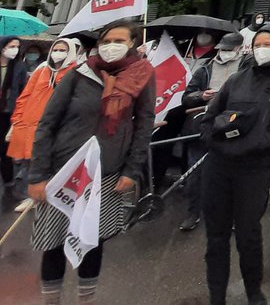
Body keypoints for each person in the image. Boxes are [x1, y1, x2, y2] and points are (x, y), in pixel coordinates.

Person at [28, 21, 155, 305]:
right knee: (54, 242)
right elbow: (47, 124)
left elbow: (144, 125)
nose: (112, 45)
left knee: (92, 242)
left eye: (119, 40)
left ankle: (86, 300)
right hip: (63, 174)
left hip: (107, 175)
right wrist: (38, 175)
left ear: (133, 43)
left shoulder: (142, 75)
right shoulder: (79, 74)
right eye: (107, 40)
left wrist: (132, 171)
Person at [201, 23, 270, 305]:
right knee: (216, 236)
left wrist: (265, 139)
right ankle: (216, 296)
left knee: (248, 233)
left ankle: (254, 292)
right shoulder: (237, 79)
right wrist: (212, 139)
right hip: (219, 166)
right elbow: (212, 114)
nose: (262, 49)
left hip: (254, 167)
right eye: (258, 44)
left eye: (268, 44)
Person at [177, 32, 244, 232]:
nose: (224, 53)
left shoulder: (246, 69)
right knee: (195, 173)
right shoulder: (205, 69)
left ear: (239, 49)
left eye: (228, 50)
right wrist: (201, 95)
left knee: (230, 175)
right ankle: (193, 213)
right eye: (221, 49)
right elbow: (186, 98)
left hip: (231, 126)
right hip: (202, 124)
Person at [7, 38, 82, 212]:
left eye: (63, 50)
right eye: (56, 49)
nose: (58, 53)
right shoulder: (42, 71)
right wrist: (17, 119)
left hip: (49, 127)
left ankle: (32, 196)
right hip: (27, 123)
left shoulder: (75, 73)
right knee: (24, 161)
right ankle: (27, 193)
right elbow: (25, 96)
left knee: (39, 161)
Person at [1, 35, 33, 187]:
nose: (15, 50)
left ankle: (8, 178)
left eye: (17, 47)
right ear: (3, 47)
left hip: (8, 111)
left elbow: (22, 89)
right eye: (12, 46)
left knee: (5, 146)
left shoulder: (19, 66)